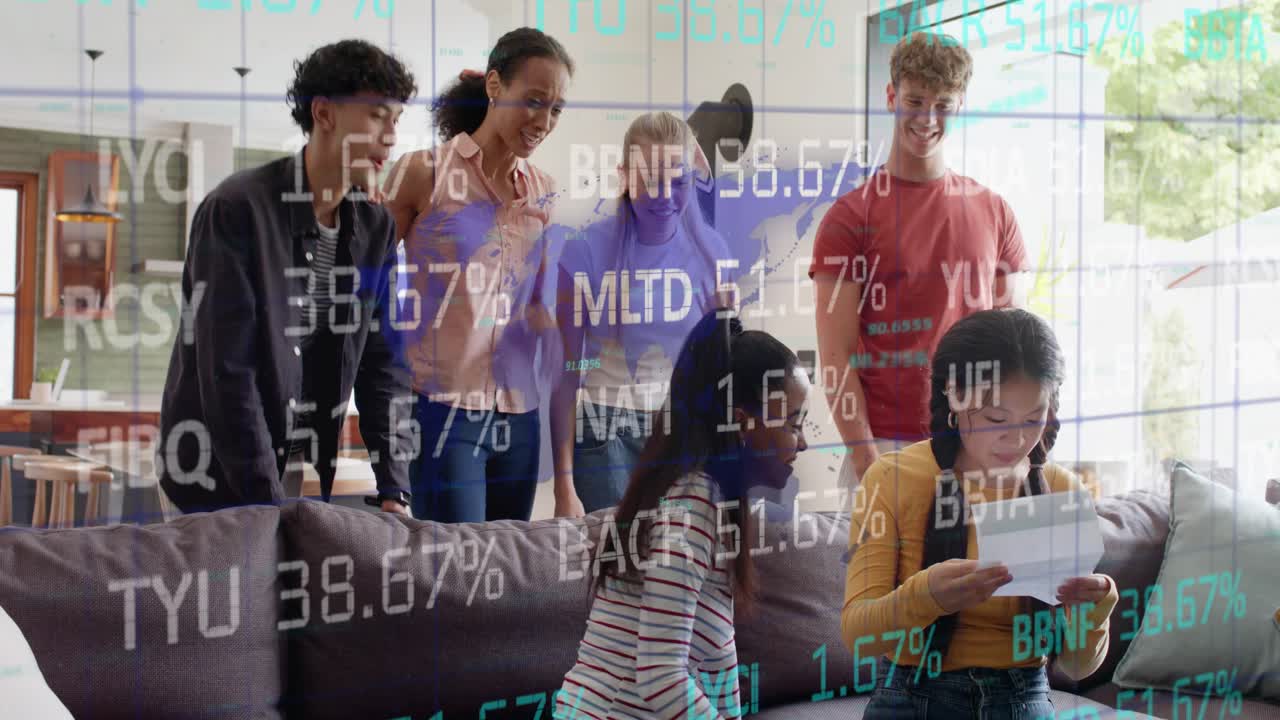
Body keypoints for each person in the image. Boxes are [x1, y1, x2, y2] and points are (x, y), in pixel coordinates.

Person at [158, 39, 417, 515]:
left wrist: (393, 488)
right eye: (378, 115)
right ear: (324, 113)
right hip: (210, 469)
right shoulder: (236, 210)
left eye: (396, 121)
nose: (391, 137)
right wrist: (267, 506)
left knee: (280, 588)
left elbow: (384, 365)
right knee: (220, 592)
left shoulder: (375, 228)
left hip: (293, 461)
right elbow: (229, 373)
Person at [842, 308, 1118, 719]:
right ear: (954, 396)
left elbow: (1078, 666)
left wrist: (1094, 611)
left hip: (1023, 697)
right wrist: (927, 596)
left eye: (1033, 418)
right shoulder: (892, 478)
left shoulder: (1062, 492)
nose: (1018, 438)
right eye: (996, 418)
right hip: (912, 693)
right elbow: (857, 633)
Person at [554, 308, 811, 720]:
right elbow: (659, 676)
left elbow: (717, 661)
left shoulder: (716, 498)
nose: (802, 445)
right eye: (795, 425)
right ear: (743, 424)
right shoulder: (693, 505)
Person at [810, 31, 1029, 493]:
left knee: (985, 569)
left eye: (943, 105)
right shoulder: (850, 218)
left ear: (961, 104)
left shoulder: (996, 212)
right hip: (888, 449)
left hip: (979, 447)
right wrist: (868, 460)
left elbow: (1016, 352)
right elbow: (835, 359)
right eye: (915, 100)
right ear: (892, 96)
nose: (928, 119)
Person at [383, 27, 573, 522]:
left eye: (555, 108)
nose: (543, 121)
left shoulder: (544, 191)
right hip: (443, 408)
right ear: (494, 86)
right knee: (455, 582)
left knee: (507, 580)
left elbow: (540, 309)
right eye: (533, 101)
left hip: (520, 415)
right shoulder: (423, 173)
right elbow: (367, 289)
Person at [550, 111, 733, 517]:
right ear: (625, 175)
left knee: (678, 564)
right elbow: (566, 373)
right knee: (617, 569)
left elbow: (721, 371)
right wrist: (564, 487)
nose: (664, 194)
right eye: (650, 178)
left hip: (684, 430)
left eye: (679, 180)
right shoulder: (584, 250)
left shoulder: (712, 252)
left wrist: (725, 326)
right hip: (605, 434)